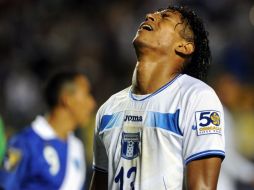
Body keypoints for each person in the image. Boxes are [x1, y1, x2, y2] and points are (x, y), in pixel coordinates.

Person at [90, 5, 225, 190]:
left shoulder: (197, 98)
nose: (150, 15)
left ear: (184, 47)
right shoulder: (109, 109)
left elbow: (202, 187)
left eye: (165, 17)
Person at [0, 71, 96, 190]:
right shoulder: (22, 143)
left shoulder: (77, 148)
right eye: (87, 94)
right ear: (67, 99)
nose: (92, 103)